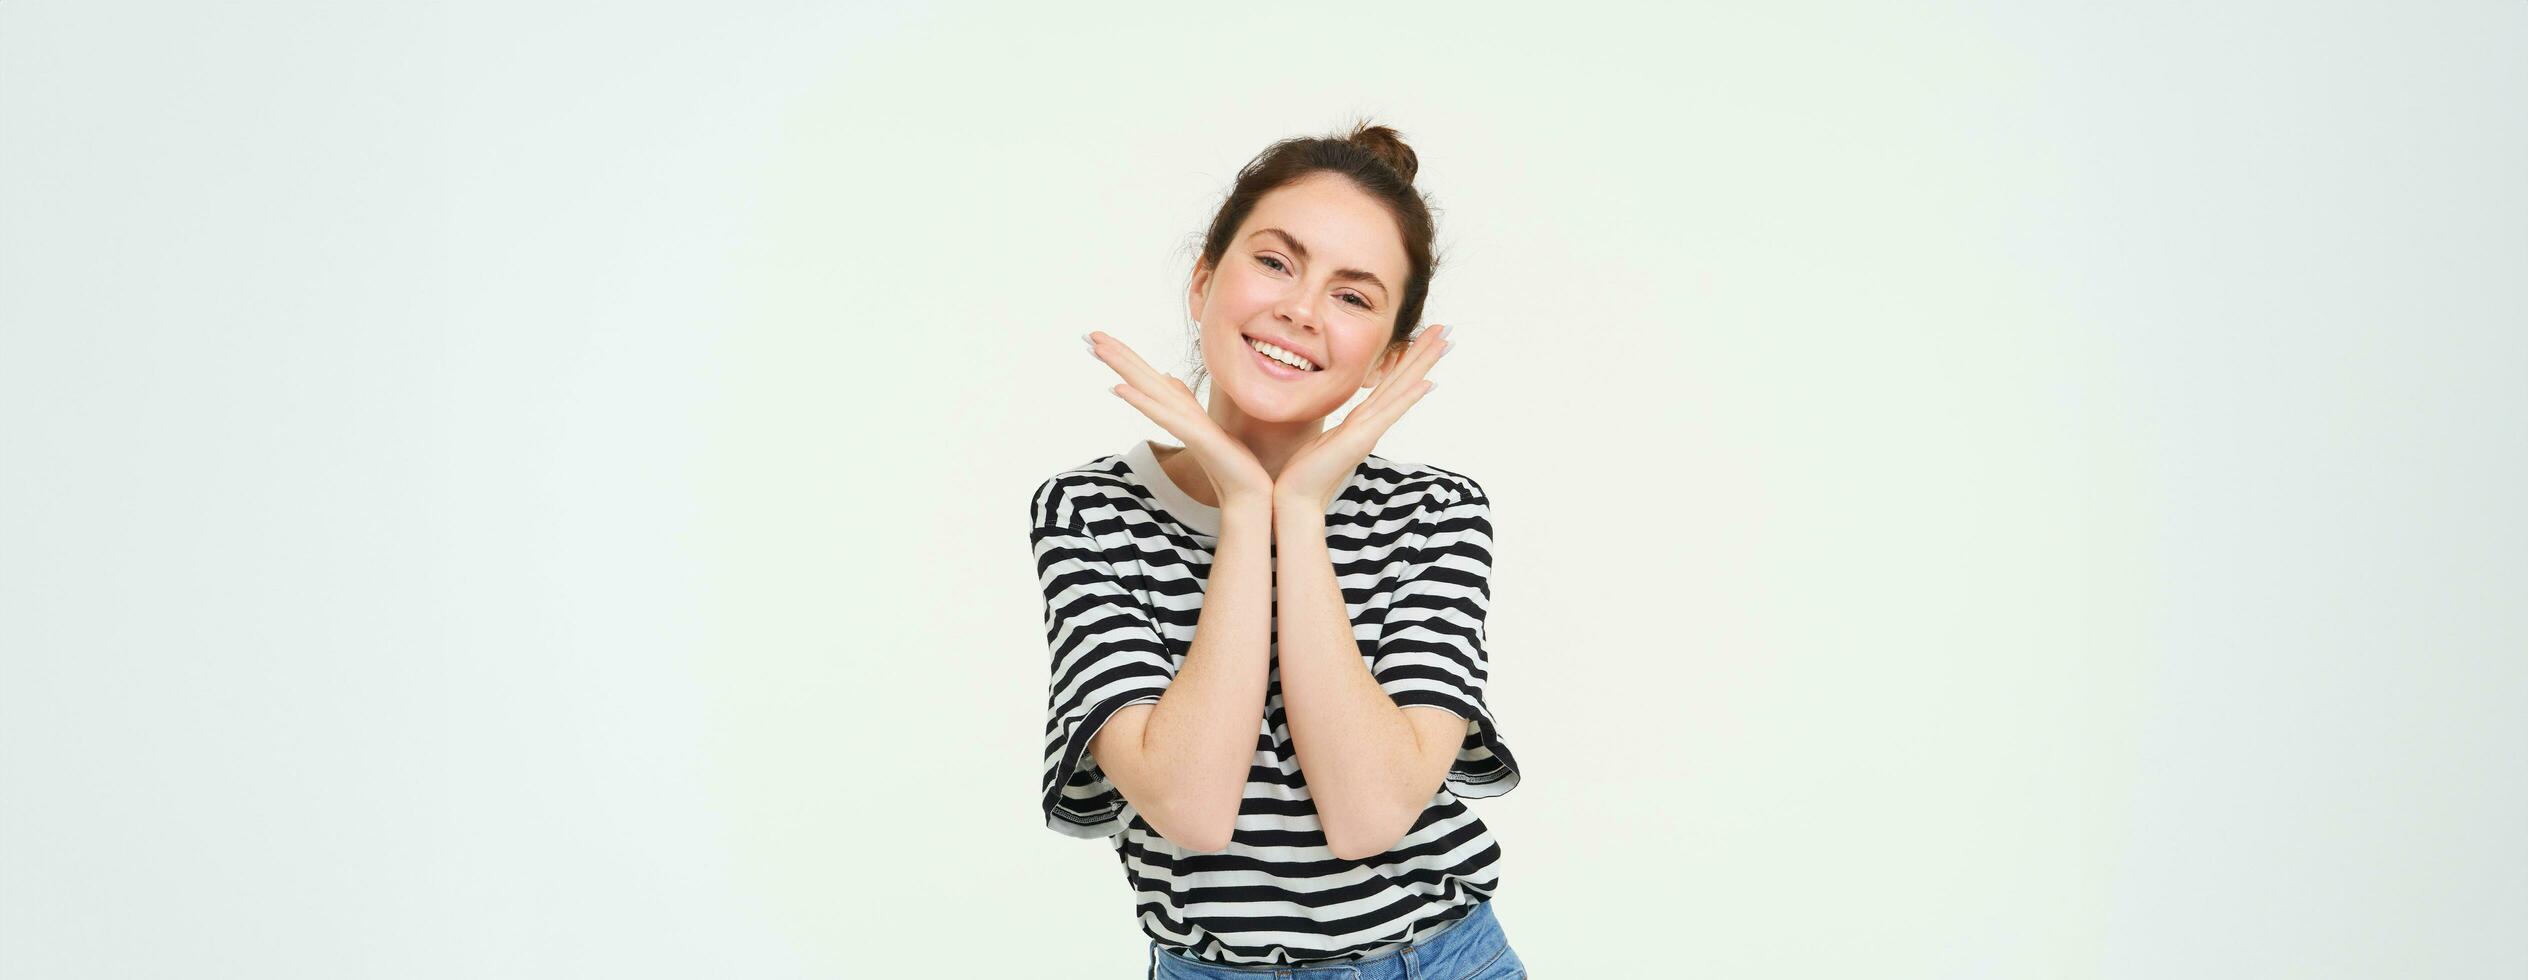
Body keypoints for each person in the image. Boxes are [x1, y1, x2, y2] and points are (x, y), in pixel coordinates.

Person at [1027, 121, 1529, 979]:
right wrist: (1244, 502)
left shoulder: (1437, 513)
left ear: (1387, 359)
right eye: (1275, 262)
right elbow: (1190, 807)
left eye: (1354, 296)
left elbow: (1370, 815)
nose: (1300, 309)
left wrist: (1292, 508)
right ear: (1202, 280)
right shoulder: (1089, 511)